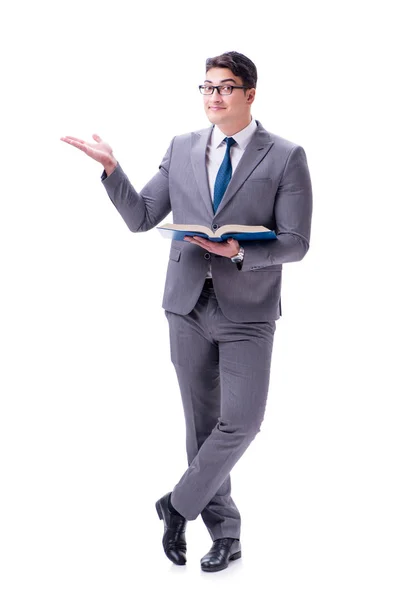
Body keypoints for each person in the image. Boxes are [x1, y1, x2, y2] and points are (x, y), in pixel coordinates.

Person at [60, 50, 313, 573]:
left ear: (250, 94)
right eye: (206, 87)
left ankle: (177, 505)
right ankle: (226, 535)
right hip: (186, 304)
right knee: (201, 426)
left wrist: (240, 252)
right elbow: (143, 217)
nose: (213, 96)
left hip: (248, 309)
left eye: (225, 87)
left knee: (242, 421)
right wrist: (111, 168)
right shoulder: (181, 147)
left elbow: (296, 242)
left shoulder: (286, 156)